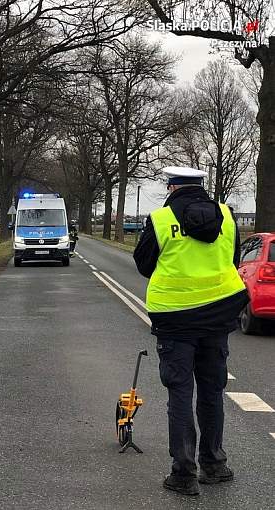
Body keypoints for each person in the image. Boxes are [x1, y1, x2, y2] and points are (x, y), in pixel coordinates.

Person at [133, 166, 248, 496]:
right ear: (200, 186)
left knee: (180, 393)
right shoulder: (226, 216)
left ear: (171, 187)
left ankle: (184, 474)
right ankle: (214, 464)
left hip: (176, 320)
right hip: (218, 317)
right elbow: (233, 259)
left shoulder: (160, 219)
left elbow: (143, 264)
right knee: (212, 390)